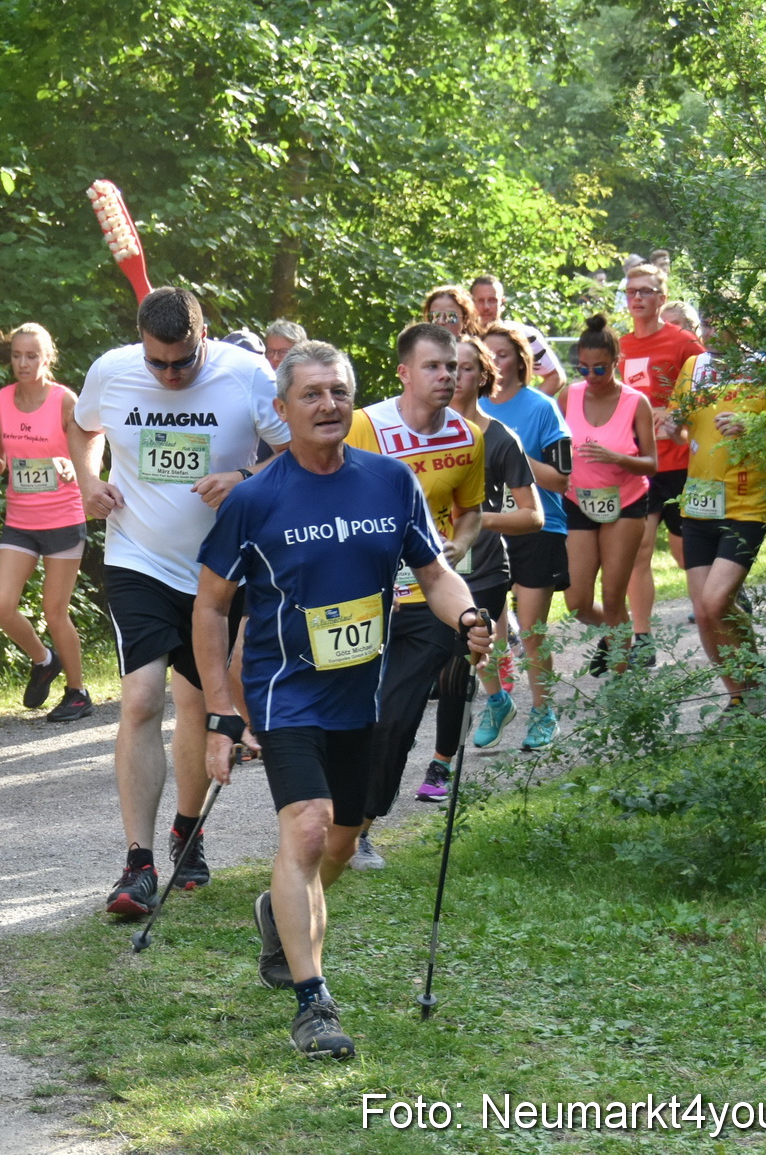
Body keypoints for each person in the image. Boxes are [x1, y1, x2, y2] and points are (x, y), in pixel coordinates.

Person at [193, 339, 490, 1059]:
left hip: (363, 693)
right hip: (285, 693)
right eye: (312, 394)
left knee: (342, 839)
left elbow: (434, 569)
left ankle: (279, 910)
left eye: (339, 391)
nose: (328, 405)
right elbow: (210, 608)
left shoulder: (389, 482)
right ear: (284, 409)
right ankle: (312, 1002)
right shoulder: (256, 498)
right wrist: (222, 711)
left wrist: (470, 614)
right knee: (306, 829)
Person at [70, 287, 290, 915]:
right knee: (141, 698)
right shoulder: (111, 371)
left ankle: (187, 831)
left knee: (197, 705)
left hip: (221, 572)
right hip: (137, 558)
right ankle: (137, 863)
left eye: (182, 362)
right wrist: (89, 479)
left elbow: (294, 452)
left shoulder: (247, 375)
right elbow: (82, 427)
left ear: (203, 337)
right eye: (157, 363)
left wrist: (245, 479)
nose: (169, 375)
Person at [342, 322, 484, 869]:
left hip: (429, 602)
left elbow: (470, 512)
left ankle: (361, 828)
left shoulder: (470, 438)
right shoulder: (361, 427)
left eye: (452, 367)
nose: (446, 376)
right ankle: (324, 812)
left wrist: (457, 546)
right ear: (404, 372)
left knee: (396, 719)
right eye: (433, 366)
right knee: (347, 713)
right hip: (359, 600)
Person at [418, 336, 541, 801]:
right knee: (425, 665)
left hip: (485, 569)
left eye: (465, 369)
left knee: (455, 665)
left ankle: (440, 766)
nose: (453, 377)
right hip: (427, 570)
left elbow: (533, 516)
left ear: (482, 377)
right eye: (446, 368)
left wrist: (473, 518)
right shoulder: (417, 436)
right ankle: (496, 699)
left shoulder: (499, 438)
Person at [0, 323, 94, 722]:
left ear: (47, 358)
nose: (23, 363)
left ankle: (78, 693)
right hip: (21, 519)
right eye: (16, 355)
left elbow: (89, 453)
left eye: (31, 356)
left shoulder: (65, 401)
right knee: (1, 604)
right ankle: (44, 660)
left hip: (63, 517)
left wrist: (71, 465)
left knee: (54, 610)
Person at [666, 341, 766, 714]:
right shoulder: (695, 367)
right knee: (703, 610)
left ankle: (756, 672)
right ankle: (739, 696)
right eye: (706, 320)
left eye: (719, 320)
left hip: (747, 503)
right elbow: (679, 427)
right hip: (698, 503)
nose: (711, 329)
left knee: (717, 602)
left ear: (740, 322)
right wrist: (671, 423)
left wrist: (753, 426)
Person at [478, 322, 574, 750]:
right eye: (487, 354)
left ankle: (544, 711)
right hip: (485, 527)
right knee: (478, 625)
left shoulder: (542, 408)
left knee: (531, 626)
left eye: (502, 354)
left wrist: (511, 452)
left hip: (539, 525)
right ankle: (496, 701)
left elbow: (560, 481)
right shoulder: (469, 410)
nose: (494, 362)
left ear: (520, 361)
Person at [561, 317, 658, 674]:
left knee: (612, 595)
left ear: (616, 362)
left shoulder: (636, 402)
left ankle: (620, 679)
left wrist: (617, 458)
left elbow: (651, 463)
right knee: (577, 601)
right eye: (582, 368)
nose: (590, 375)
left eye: (599, 368)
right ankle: (621, 635)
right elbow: (551, 446)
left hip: (626, 505)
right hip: (578, 503)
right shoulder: (567, 396)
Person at [620, 263, 707, 664]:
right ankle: (643, 640)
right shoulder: (619, 347)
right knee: (638, 550)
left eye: (645, 291)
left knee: (686, 551)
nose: (636, 298)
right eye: (631, 291)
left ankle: (716, 612)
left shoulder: (683, 343)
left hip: (680, 462)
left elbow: (710, 390)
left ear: (661, 297)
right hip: (638, 463)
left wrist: (679, 417)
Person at [468, 274, 565, 394]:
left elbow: (555, 377)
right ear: (471, 303)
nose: (486, 307)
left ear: (502, 302)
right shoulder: (462, 339)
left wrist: (528, 408)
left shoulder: (523, 335)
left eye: (492, 300)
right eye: (480, 301)